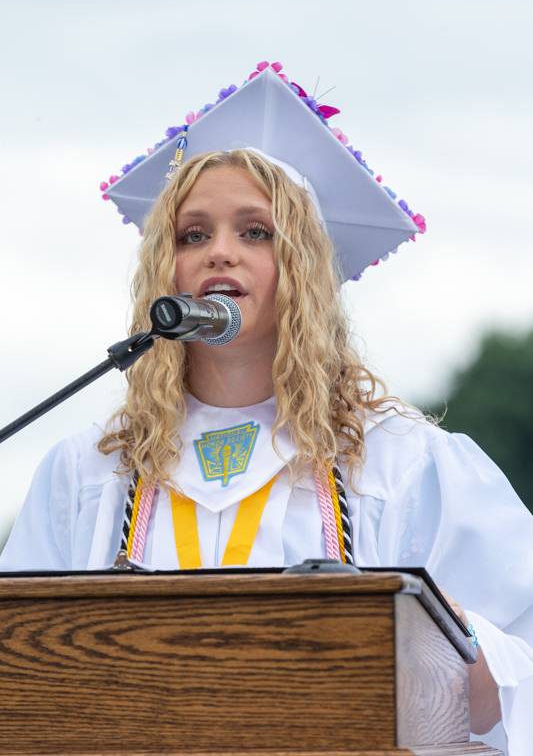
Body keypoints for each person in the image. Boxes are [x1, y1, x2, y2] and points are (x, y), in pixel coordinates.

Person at [1, 62, 532, 754]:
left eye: (255, 232)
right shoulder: (90, 475)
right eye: (193, 234)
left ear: (306, 269)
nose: (219, 251)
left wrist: (443, 641)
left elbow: (517, 654)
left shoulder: (403, 463)